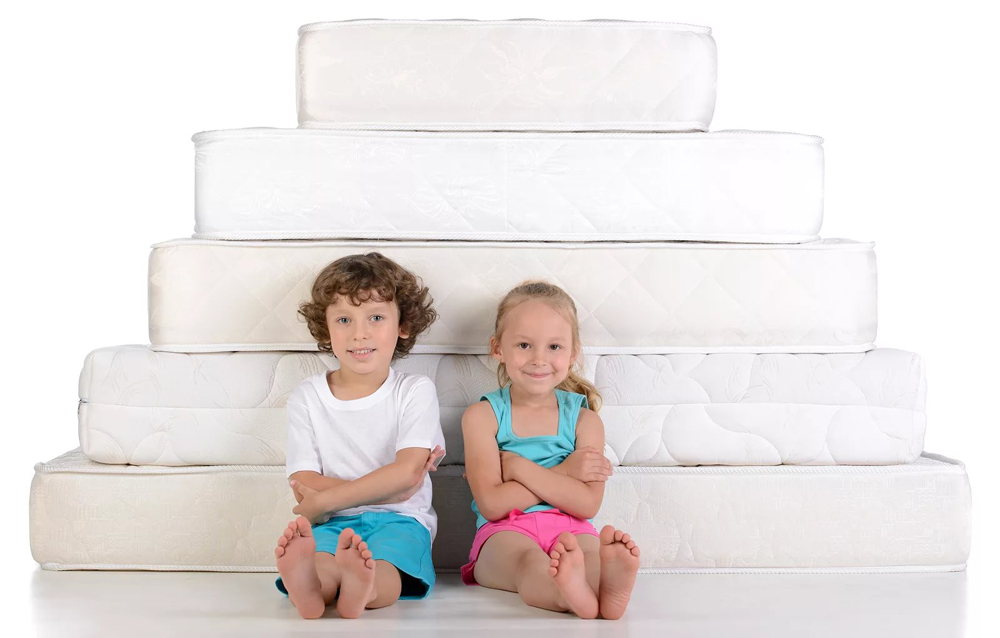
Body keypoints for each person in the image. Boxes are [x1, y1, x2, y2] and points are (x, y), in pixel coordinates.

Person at [273, 252, 446, 619]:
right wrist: (389, 490)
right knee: (321, 561)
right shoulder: (308, 395)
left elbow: (406, 474)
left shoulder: (414, 391)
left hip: (401, 520)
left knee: (386, 567)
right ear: (326, 328)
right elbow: (303, 480)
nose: (359, 333)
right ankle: (311, 589)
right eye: (344, 320)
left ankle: (363, 588)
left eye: (376, 317)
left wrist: (327, 499)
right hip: (332, 521)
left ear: (403, 325)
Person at [461, 281, 640, 620]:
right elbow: (493, 505)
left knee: (589, 556)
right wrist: (565, 472)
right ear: (498, 349)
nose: (539, 359)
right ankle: (566, 593)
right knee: (529, 564)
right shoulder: (482, 416)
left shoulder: (585, 421)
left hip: (573, 528)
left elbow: (587, 504)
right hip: (504, 532)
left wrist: (519, 468)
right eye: (524, 345)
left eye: (554, 346)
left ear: (573, 354)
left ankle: (606, 588)